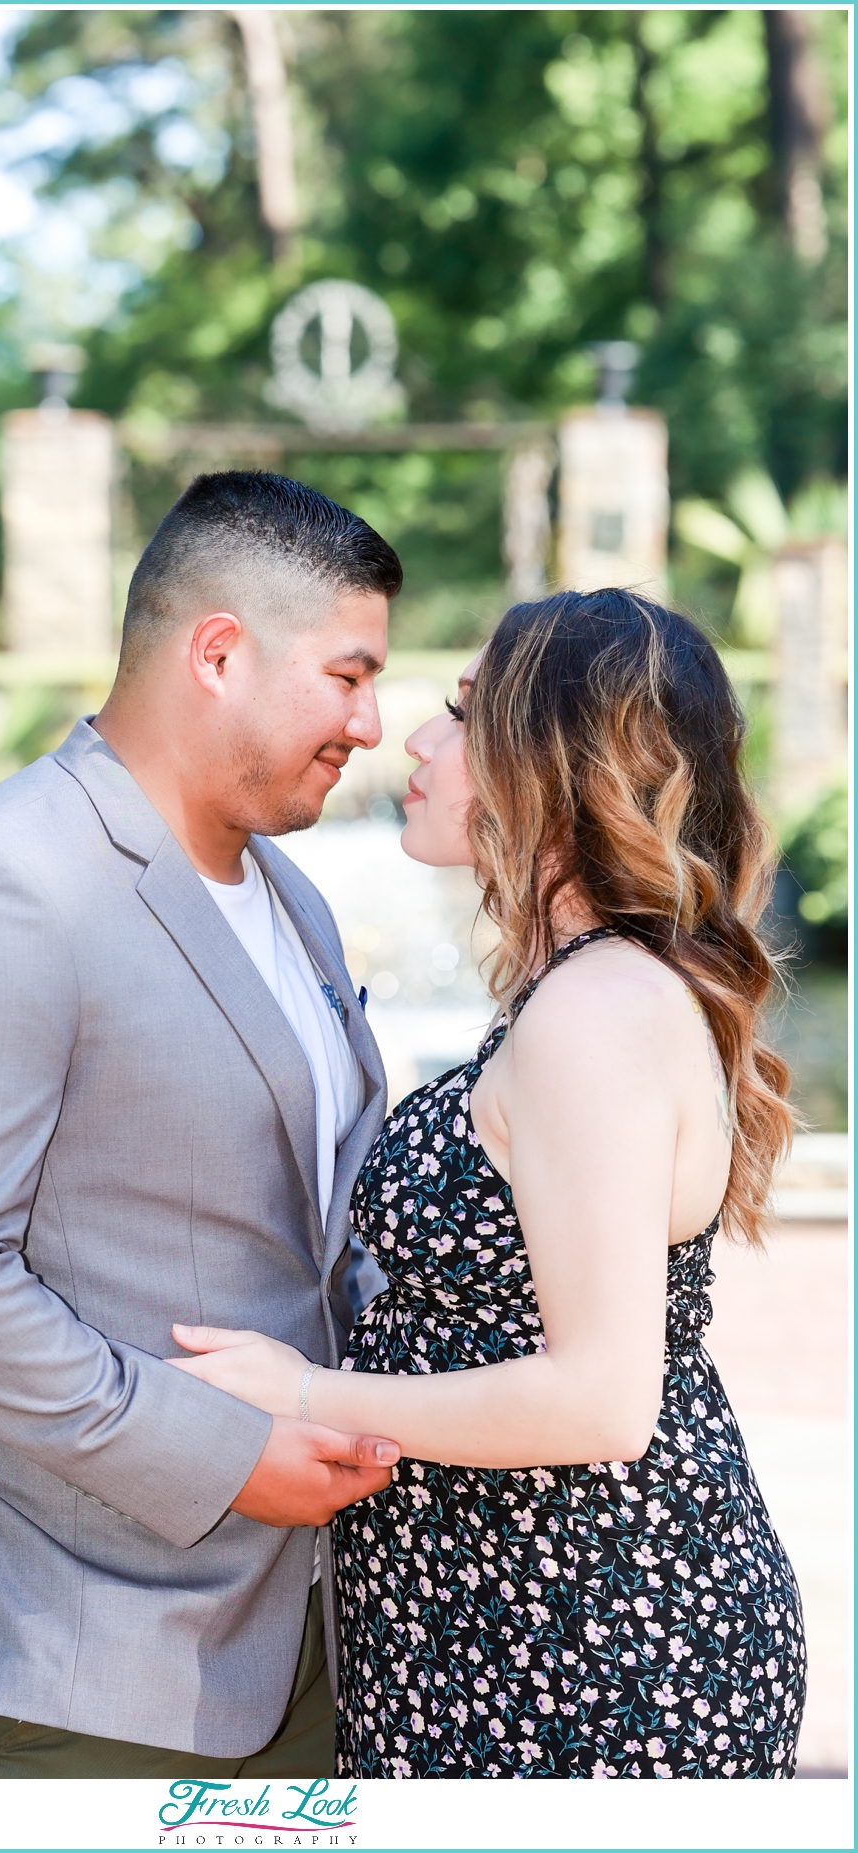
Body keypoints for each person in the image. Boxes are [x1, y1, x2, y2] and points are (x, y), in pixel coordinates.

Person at [0, 470, 404, 1779]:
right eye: (349, 674)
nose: (373, 723)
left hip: (286, 1639)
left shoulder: (292, 895)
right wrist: (230, 1454)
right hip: (60, 1648)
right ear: (217, 652)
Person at [170, 589, 807, 1779]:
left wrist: (307, 1392)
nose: (413, 741)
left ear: (550, 758)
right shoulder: (593, 990)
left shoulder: (598, 1010)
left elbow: (602, 1400)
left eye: (463, 716)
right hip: (519, 1621)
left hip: (590, 1646)